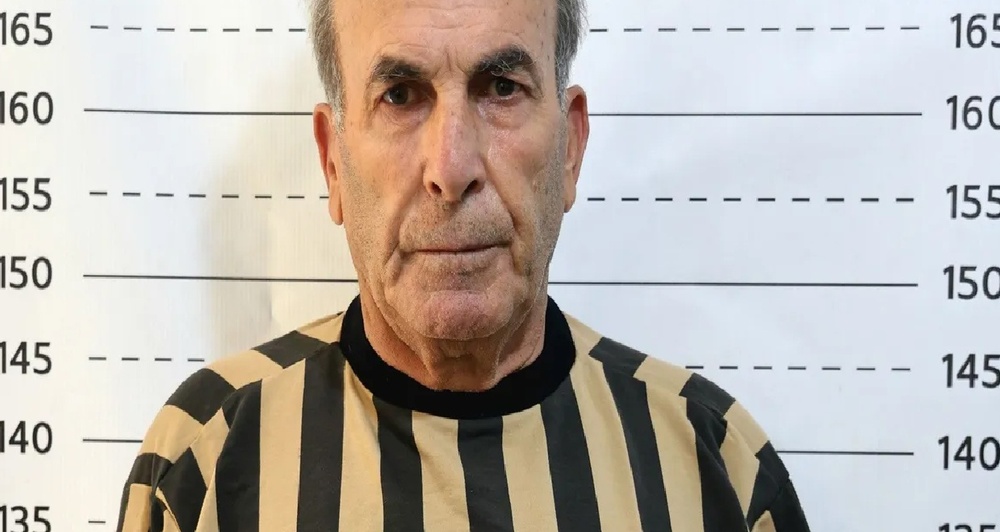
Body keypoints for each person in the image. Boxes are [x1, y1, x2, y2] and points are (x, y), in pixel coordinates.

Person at [115, 0, 813, 530]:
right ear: (332, 162)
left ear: (570, 149)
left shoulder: (715, 467)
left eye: (501, 87)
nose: (451, 169)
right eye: (399, 96)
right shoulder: (206, 459)